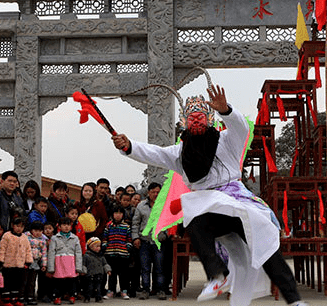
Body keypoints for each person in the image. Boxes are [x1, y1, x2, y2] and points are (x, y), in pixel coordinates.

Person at [111, 85, 307, 306]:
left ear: (210, 118)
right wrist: (129, 147)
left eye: (200, 117)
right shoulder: (180, 152)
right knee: (195, 222)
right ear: (184, 122)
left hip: (237, 203)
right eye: (191, 118)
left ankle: (294, 300)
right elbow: (154, 153)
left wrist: (227, 111)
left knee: (265, 247)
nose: (196, 121)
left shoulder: (226, 140)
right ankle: (217, 275)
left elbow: (241, 128)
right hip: (211, 210)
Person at [134, 182, 169, 300]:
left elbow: (170, 223)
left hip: (159, 242)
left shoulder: (165, 206)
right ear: (148, 192)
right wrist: (135, 238)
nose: (156, 194)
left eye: (158, 192)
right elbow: (135, 224)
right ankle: (145, 290)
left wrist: (165, 235)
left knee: (159, 268)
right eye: (153, 192)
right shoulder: (141, 206)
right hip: (144, 241)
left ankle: (160, 290)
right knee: (145, 268)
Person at [47, 216, 83, 305]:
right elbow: (51, 253)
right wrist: (51, 267)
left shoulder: (75, 238)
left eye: (68, 225)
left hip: (71, 262)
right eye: (64, 225)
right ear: (59, 226)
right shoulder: (54, 238)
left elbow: (78, 253)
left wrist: (79, 266)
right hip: (59, 262)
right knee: (58, 281)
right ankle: (57, 296)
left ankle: (72, 295)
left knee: (72, 280)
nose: (66, 227)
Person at [0, 217, 33, 305]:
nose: (19, 228)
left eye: (21, 226)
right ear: (12, 226)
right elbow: (2, 249)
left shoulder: (24, 237)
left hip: (20, 265)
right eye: (17, 226)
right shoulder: (7, 235)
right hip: (8, 264)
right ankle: (6, 300)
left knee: (17, 283)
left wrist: (28, 261)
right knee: (8, 283)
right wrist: (0, 260)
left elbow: (28, 250)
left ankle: (15, 299)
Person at [103, 207, 133, 299]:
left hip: (123, 254)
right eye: (116, 213)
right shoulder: (109, 226)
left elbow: (129, 239)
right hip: (111, 253)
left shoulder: (126, 226)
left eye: (120, 213)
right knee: (112, 274)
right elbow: (105, 238)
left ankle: (124, 291)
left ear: (123, 215)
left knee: (123, 274)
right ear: (112, 214)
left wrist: (127, 247)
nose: (118, 215)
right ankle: (111, 290)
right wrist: (105, 246)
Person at [25, 221, 48, 305]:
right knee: (24, 280)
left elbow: (44, 253)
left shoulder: (43, 240)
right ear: (31, 230)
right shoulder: (25, 237)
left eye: (40, 231)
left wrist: (44, 264)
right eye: (36, 230)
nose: (38, 233)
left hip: (36, 262)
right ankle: (23, 296)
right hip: (25, 262)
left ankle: (31, 296)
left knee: (32, 281)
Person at [82, 237, 111, 303]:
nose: (98, 248)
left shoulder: (101, 256)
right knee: (89, 287)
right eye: (96, 246)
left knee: (98, 288)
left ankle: (98, 297)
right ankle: (87, 297)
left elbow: (105, 264)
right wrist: (83, 271)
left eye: (99, 246)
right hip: (90, 275)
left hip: (99, 274)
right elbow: (84, 264)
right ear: (91, 247)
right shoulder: (87, 256)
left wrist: (108, 270)